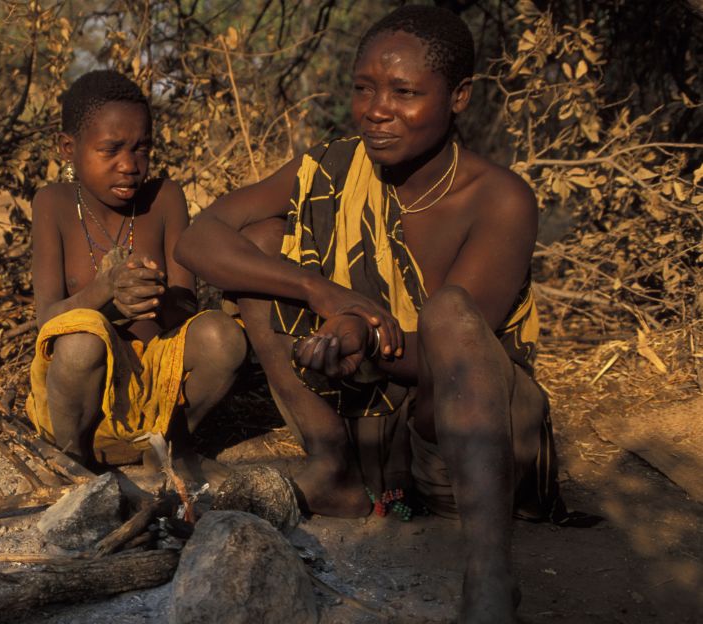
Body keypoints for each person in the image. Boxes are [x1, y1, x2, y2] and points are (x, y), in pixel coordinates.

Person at [175, 6, 589, 622]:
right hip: (372, 443)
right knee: (260, 244)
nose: (376, 109)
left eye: (405, 92)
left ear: (459, 98)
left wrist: (361, 337)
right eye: (364, 88)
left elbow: (442, 358)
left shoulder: (498, 199)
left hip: (461, 443)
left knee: (450, 313)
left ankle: (491, 578)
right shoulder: (335, 167)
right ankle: (332, 470)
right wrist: (324, 295)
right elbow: (198, 239)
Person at [26, 70, 246, 483]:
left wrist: (155, 298)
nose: (129, 165)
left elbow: (186, 309)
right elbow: (46, 321)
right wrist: (103, 292)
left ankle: (168, 450)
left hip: (159, 399)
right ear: (68, 148)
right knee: (78, 341)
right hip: (83, 408)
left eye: (141, 148)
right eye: (110, 150)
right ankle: (74, 463)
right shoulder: (52, 204)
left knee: (223, 336)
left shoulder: (164, 199)